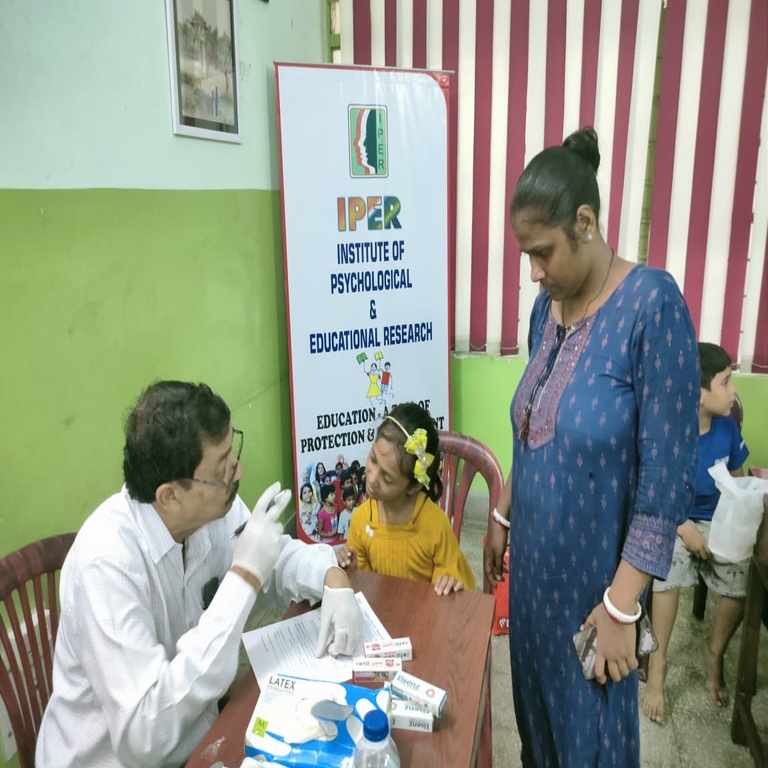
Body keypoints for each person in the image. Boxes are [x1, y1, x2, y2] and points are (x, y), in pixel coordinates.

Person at [483, 127, 699, 766]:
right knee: (538, 732)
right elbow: (532, 428)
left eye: (543, 252)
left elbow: (666, 482)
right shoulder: (545, 312)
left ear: (586, 222)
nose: (535, 272)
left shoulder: (651, 307)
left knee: (592, 744)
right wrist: (501, 515)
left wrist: (620, 606)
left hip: (594, 593)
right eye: (526, 255)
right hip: (533, 587)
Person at [36, 381, 362, 767]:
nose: (238, 470)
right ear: (170, 495)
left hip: (200, 737)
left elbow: (272, 558)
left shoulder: (209, 512)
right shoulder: (106, 565)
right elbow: (145, 737)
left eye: (232, 452)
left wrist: (330, 576)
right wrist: (242, 577)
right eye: (222, 468)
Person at [643, 342, 749, 724]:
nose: (733, 390)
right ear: (698, 392)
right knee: (665, 568)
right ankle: (659, 664)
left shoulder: (727, 428)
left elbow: (739, 483)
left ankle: (714, 652)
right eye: (725, 382)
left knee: (741, 578)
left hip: (718, 519)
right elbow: (653, 491)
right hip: (675, 519)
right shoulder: (669, 431)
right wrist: (683, 527)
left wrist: (737, 524)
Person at [340, 402, 476, 595]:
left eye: (386, 477)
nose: (371, 477)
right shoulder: (362, 519)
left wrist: (450, 583)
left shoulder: (435, 525)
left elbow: (455, 592)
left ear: (413, 486)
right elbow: (365, 589)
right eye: (373, 459)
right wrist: (352, 569)